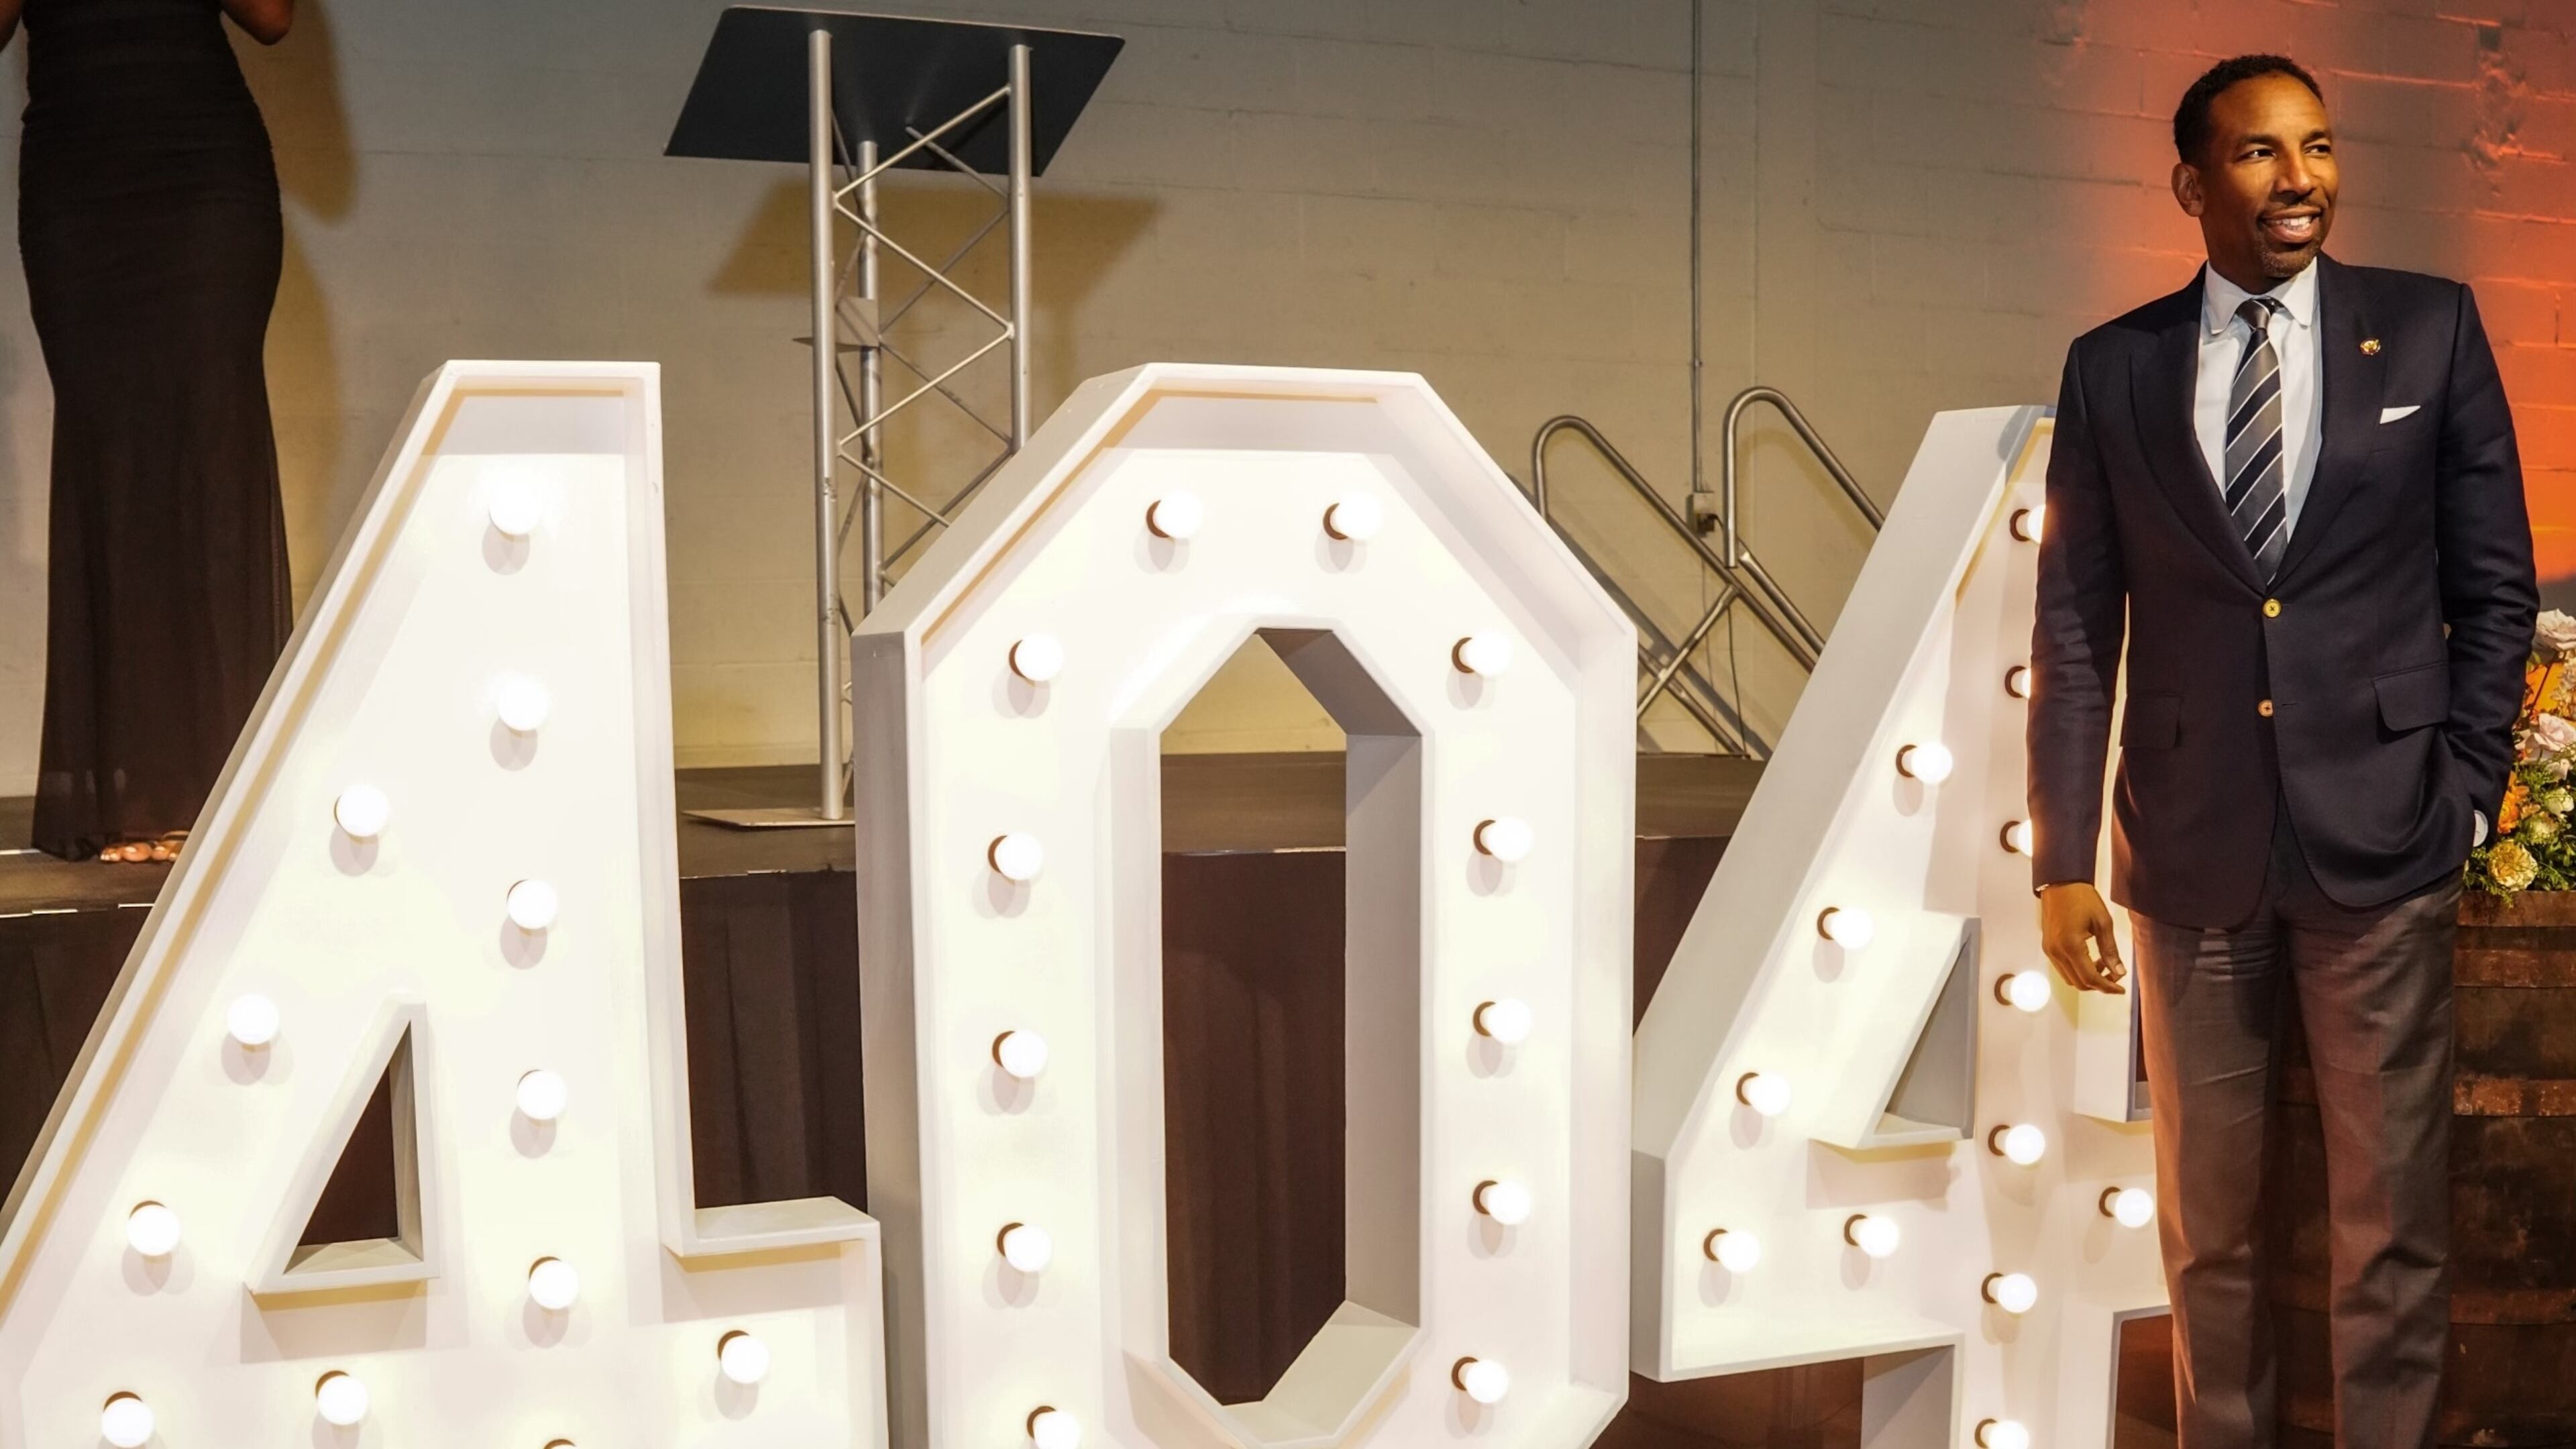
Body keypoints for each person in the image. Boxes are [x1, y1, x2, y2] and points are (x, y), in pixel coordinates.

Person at [2027, 53, 2538, 1447]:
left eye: (2315, 146)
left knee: (2391, 1234)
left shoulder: (2427, 331)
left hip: (2386, 839)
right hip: (2190, 853)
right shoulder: (2114, 367)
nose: (2297, 177)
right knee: (2210, 1239)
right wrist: (2061, 858)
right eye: (2257, 154)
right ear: (2193, 183)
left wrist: (2470, 793)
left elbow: (2495, 587)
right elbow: (2077, 629)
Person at [4, 0, 297, 863]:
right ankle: (133, 792)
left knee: (210, 460)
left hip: (203, 173)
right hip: (78, 179)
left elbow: (274, 17)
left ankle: (220, 790)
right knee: (110, 469)